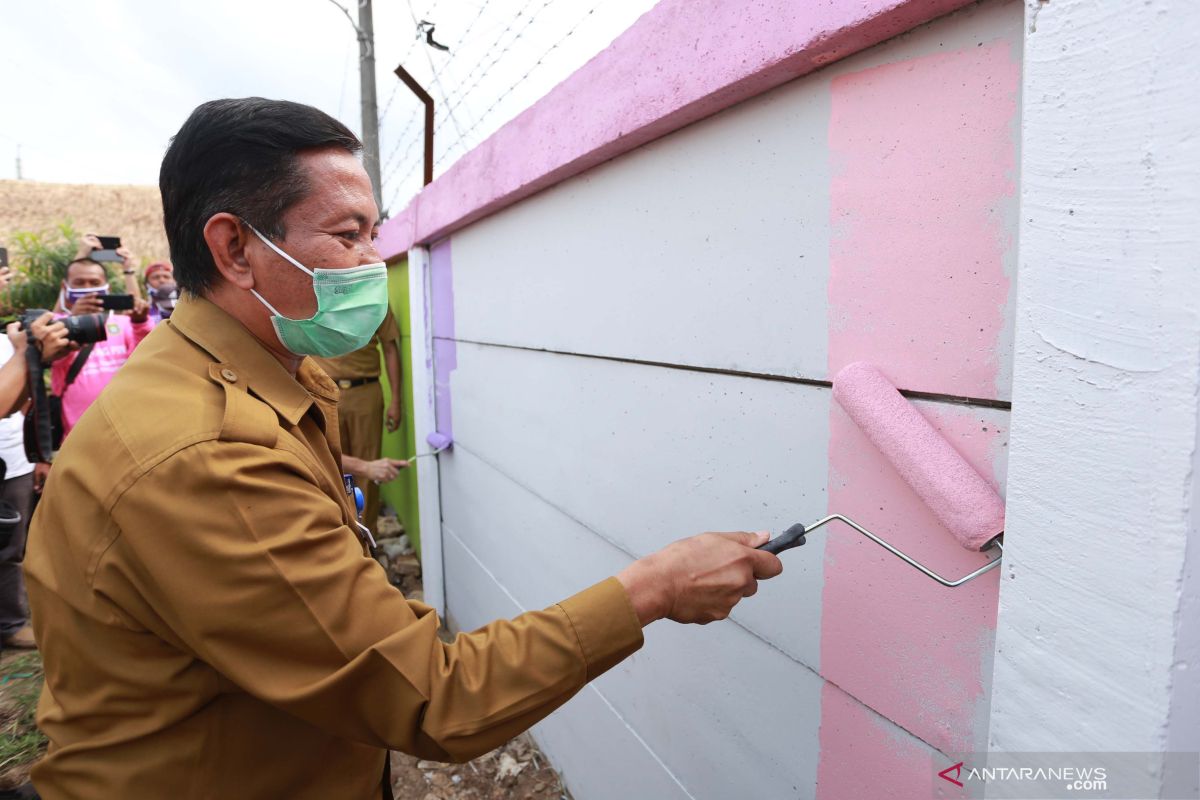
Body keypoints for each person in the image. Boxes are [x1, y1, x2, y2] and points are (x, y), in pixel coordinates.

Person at [23, 98, 783, 800]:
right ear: (235, 249)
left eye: (375, 234)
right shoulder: (205, 455)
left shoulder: (237, 374)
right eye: (348, 234)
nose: (372, 263)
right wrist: (652, 589)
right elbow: (435, 696)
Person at [312, 307, 403, 536]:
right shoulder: (309, 290)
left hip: (366, 392)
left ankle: (367, 538)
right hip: (322, 392)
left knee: (367, 469)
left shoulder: (372, 296)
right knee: (327, 465)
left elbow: (390, 348)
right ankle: (337, 536)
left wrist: (396, 401)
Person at [50, 255, 152, 435]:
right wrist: (74, 322)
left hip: (128, 429)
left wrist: (141, 322)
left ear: (107, 287)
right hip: (78, 436)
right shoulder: (55, 325)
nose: (88, 289)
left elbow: (144, 361)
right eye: (79, 282)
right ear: (65, 288)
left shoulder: (124, 322)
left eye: (94, 282)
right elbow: (56, 359)